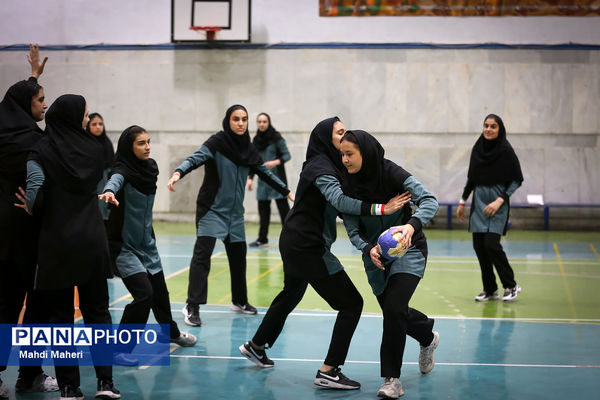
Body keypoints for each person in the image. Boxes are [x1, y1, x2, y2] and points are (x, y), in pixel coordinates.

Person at [238, 117, 408, 390]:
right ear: (324, 138)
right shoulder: (320, 167)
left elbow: (343, 206)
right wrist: (381, 209)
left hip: (294, 241)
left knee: (291, 293)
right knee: (351, 303)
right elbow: (340, 201)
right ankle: (329, 370)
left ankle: (256, 345)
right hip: (307, 246)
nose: (345, 136)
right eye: (339, 133)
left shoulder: (330, 165)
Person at [16, 94, 120, 399]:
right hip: (91, 239)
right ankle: (105, 383)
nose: (87, 120)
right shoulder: (94, 149)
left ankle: (70, 388)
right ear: (74, 118)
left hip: (57, 242)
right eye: (85, 115)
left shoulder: (41, 149)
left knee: (61, 319)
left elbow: (34, 193)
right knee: (98, 313)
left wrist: (29, 206)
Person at [167, 105, 293, 327]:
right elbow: (195, 159)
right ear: (228, 121)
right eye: (236, 119)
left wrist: (287, 192)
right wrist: (178, 172)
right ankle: (192, 305)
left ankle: (239, 301)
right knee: (202, 258)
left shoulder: (249, 149)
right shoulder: (216, 144)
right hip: (212, 210)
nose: (241, 123)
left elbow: (264, 172)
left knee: (238, 258)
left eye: (244, 119)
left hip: (235, 215)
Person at [339, 130, 440, 399]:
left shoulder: (392, 173)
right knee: (396, 312)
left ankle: (392, 380)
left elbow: (430, 200)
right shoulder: (345, 185)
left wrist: (411, 225)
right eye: (342, 154)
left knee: (394, 309)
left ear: (365, 153)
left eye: (350, 154)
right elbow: (351, 229)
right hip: (375, 257)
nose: (345, 160)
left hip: (409, 249)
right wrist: (367, 248)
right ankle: (428, 337)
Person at [99, 125, 197, 364]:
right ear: (128, 147)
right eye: (141, 143)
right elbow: (115, 179)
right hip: (123, 246)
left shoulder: (150, 167)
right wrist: (110, 191)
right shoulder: (121, 170)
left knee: (160, 296)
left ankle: (171, 334)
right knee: (144, 295)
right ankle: (120, 350)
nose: (147, 147)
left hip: (147, 244)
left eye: (149, 141)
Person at [0, 44, 58, 397]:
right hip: (16, 234)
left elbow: (17, 99)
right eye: (40, 100)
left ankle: (30, 374)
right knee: (9, 305)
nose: (45, 105)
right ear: (27, 107)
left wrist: (34, 76)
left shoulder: (9, 128)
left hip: (26, 235)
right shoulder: (25, 143)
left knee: (36, 305)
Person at [457, 114, 524, 302]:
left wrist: (499, 200)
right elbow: (472, 178)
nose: (488, 129)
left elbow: (516, 180)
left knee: (491, 245)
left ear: (499, 129)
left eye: (493, 126)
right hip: (478, 205)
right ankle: (490, 289)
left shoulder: (506, 151)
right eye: (486, 125)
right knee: (479, 246)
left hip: (497, 206)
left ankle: (511, 285)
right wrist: (463, 201)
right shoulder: (478, 149)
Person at [246, 113, 291, 247]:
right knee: (263, 212)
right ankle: (262, 238)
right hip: (262, 182)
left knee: (284, 212)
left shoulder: (276, 138)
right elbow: (253, 161)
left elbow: (287, 155)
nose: (262, 124)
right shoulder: (255, 141)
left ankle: (290, 237)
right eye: (259, 122)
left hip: (277, 179)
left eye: (264, 121)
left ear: (268, 122)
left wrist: (275, 162)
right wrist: (250, 178)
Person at [86, 112, 114, 224]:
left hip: (106, 180)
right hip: (91, 182)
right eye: (94, 124)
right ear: (88, 126)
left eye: (100, 124)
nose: (98, 127)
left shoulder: (107, 143)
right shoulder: (84, 143)